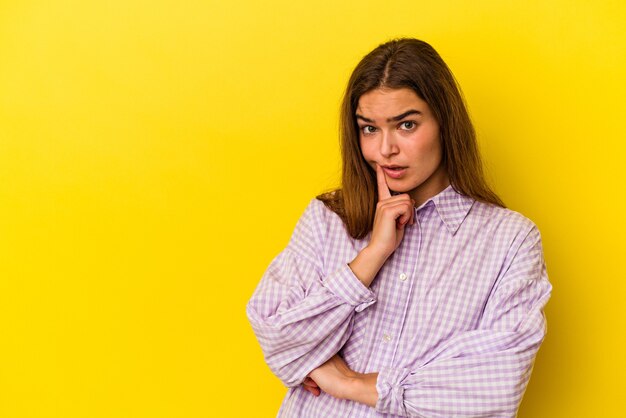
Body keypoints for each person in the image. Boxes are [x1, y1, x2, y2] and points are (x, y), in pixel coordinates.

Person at [246, 38, 551, 417]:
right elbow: (276, 337)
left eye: (406, 125)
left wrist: (350, 384)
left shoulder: (509, 242)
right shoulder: (329, 218)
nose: (385, 149)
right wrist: (371, 257)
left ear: (444, 122)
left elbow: (493, 390)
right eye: (369, 129)